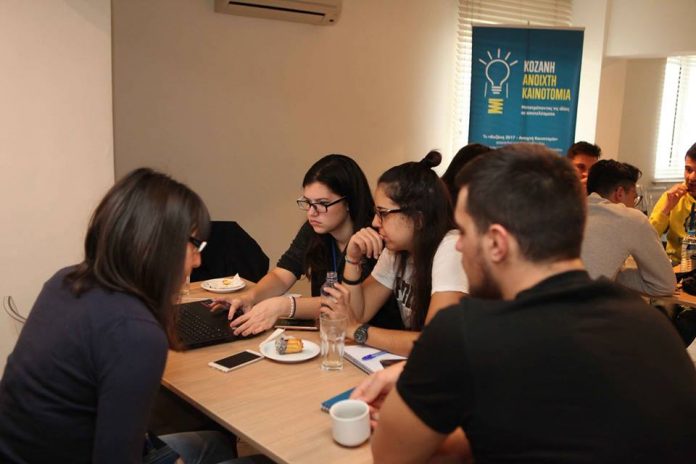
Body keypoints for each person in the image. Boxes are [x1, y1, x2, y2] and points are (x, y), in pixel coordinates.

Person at [353, 144, 696, 463]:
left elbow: (391, 455)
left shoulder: (465, 332)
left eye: (465, 231)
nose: (458, 245)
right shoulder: (651, 325)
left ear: (497, 243)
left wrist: (416, 382)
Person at [0, 168, 239, 463]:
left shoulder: (65, 281)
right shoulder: (135, 333)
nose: (198, 260)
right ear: (155, 244)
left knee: (215, 444)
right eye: (194, 245)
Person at [219, 154, 401, 335]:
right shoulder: (313, 229)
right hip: (329, 334)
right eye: (308, 202)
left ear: (348, 202)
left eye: (322, 203)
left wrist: (286, 306)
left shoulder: (376, 238)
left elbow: (348, 306)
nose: (312, 213)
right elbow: (282, 275)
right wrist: (250, 297)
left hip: (371, 340)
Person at [321, 151, 469, 356]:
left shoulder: (452, 248)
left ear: (417, 218)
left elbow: (435, 342)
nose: (374, 222)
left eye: (383, 213)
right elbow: (358, 314)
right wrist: (352, 260)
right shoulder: (397, 250)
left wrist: (357, 331)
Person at [582, 159, 675, 296]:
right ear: (619, 193)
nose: (634, 204)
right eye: (634, 197)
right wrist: (614, 275)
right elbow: (664, 285)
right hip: (582, 308)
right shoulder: (630, 218)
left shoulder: (565, 210)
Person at [649, 142, 696, 265]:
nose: (692, 177)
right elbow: (646, 237)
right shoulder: (672, 196)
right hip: (674, 265)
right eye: (688, 170)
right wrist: (666, 209)